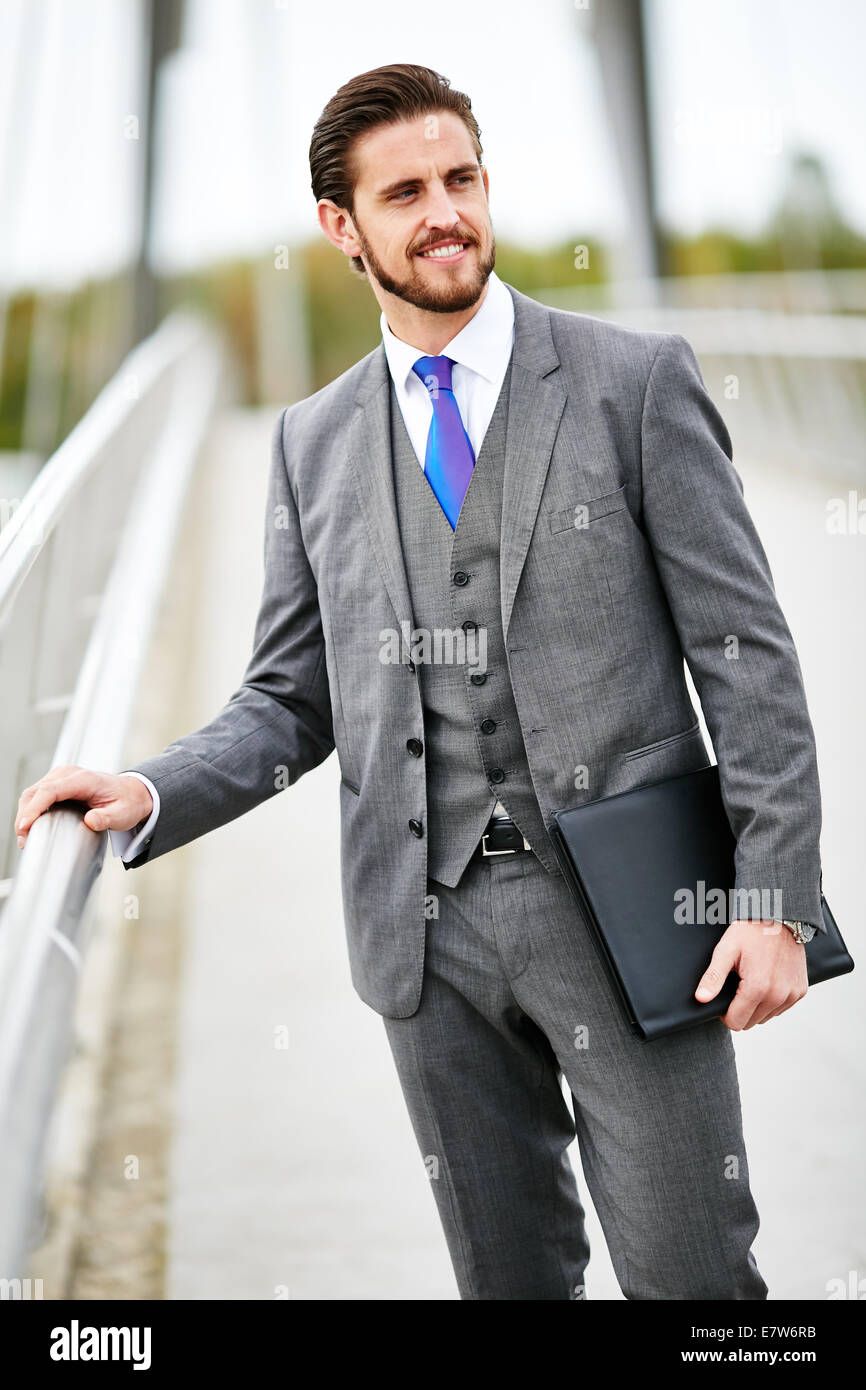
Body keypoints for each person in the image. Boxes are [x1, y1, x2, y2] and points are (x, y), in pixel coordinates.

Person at [16, 63, 824, 1301]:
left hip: (635, 916)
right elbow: (291, 699)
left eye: (461, 178)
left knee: (695, 1280)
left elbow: (743, 653)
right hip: (426, 934)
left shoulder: (632, 382)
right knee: (505, 1282)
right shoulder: (311, 442)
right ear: (343, 228)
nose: (444, 211)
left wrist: (768, 895)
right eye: (404, 191)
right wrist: (149, 788)